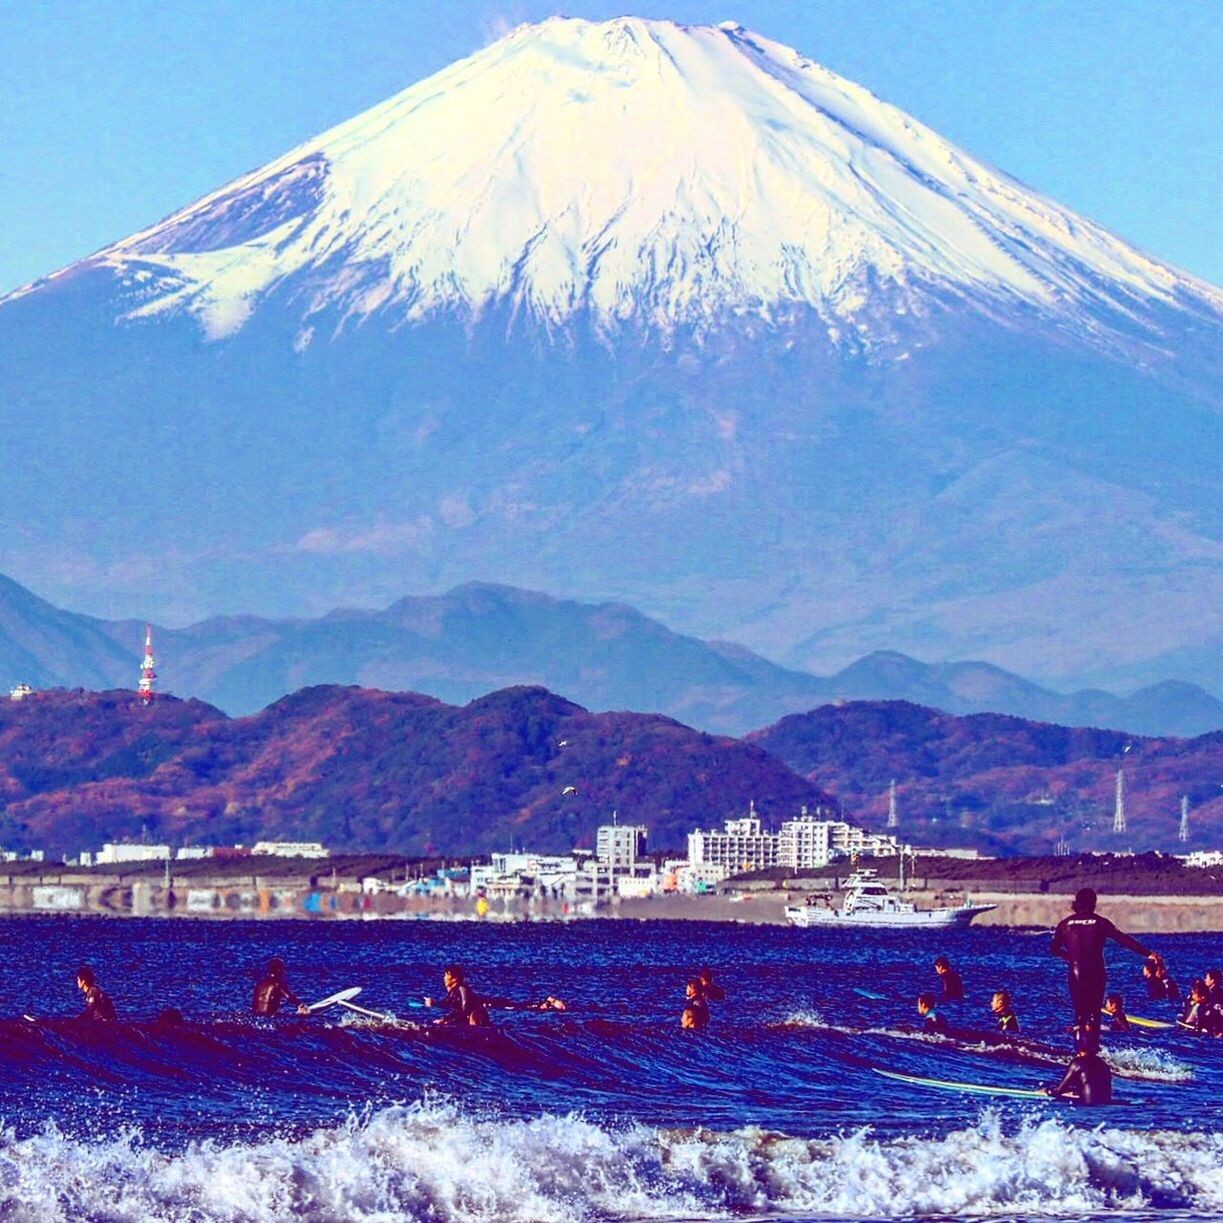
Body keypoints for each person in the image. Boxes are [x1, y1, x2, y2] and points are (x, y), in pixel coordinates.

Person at [1049, 888, 1152, 1026]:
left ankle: (1080, 1045)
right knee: (1094, 1014)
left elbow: (1054, 949)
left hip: (1076, 971)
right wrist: (1148, 954)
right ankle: (1094, 1045)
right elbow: (1124, 940)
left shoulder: (1064, 924)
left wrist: (1070, 957)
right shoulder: (1101, 922)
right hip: (1096, 971)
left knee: (1080, 1014)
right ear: (1094, 903)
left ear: (1076, 903)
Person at [1044, 1028, 1113, 1105]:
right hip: (1105, 1108)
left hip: (1089, 1110)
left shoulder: (1077, 1063)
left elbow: (1058, 1091)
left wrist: (1048, 1090)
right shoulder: (1104, 1065)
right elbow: (1094, 1085)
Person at [424, 965, 492, 1027]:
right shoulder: (453, 992)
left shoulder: (462, 989)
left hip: (478, 1019)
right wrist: (435, 1004)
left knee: (473, 1015)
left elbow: (465, 1010)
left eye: (446, 975)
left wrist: (446, 1021)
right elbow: (447, 1004)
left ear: (454, 979)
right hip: (466, 1019)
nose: (444, 978)